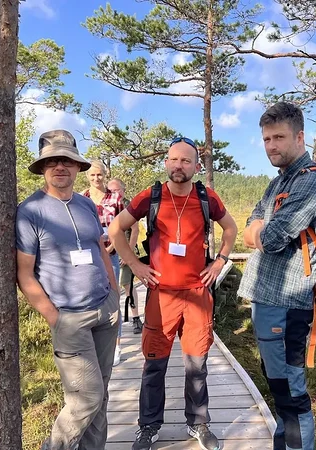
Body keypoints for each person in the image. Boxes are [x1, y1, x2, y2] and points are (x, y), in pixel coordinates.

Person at [108, 137, 238, 450]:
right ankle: (149, 427)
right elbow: (116, 229)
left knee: (197, 367)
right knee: (154, 367)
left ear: (196, 166)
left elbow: (231, 229)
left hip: (197, 296)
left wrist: (220, 261)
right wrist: (135, 265)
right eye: (173, 159)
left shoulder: (207, 198)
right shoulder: (151, 196)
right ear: (166, 162)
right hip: (160, 297)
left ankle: (198, 423)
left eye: (185, 161)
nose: (178, 165)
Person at [238, 102, 316, 450]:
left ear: (299, 136)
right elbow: (251, 224)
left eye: (278, 137)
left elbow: (271, 237)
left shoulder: (311, 183)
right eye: (266, 139)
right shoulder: (279, 181)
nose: (271, 146)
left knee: (291, 393)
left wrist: (258, 231)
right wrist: (258, 230)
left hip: (287, 304)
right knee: (279, 387)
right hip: (268, 299)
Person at [16, 129, 120, 449]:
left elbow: (100, 248)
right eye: (52, 161)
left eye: (67, 160)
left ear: (77, 167)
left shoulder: (86, 206)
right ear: (43, 167)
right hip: (69, 317)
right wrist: (55, 317)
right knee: (85, 400)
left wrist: (115, 294)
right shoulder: (30, 211)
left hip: (105, 309)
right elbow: (24, 273)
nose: (60, 166)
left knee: (100, 397)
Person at [80, 161, 126, 365]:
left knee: (113, 298)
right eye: (92, 175)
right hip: (89, 258)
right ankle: (93, 345)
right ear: (87, 177)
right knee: (89, 299)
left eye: (99, 175)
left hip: (111, 254)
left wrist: (109, 249)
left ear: (105, 175)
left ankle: (115, 345)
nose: (96, 179)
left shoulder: (115, 198)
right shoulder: (81, 198)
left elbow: (122, 226)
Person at [107, 178, 143, 334]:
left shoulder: (127, 205)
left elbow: (135, 230)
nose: (115, 193)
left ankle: (135, 318)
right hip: (109, 251)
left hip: (125, 251)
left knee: (127, 284)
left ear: (123, 189)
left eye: (117, 190)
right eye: (112, 191)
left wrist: (127, 253)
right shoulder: (107, 203)